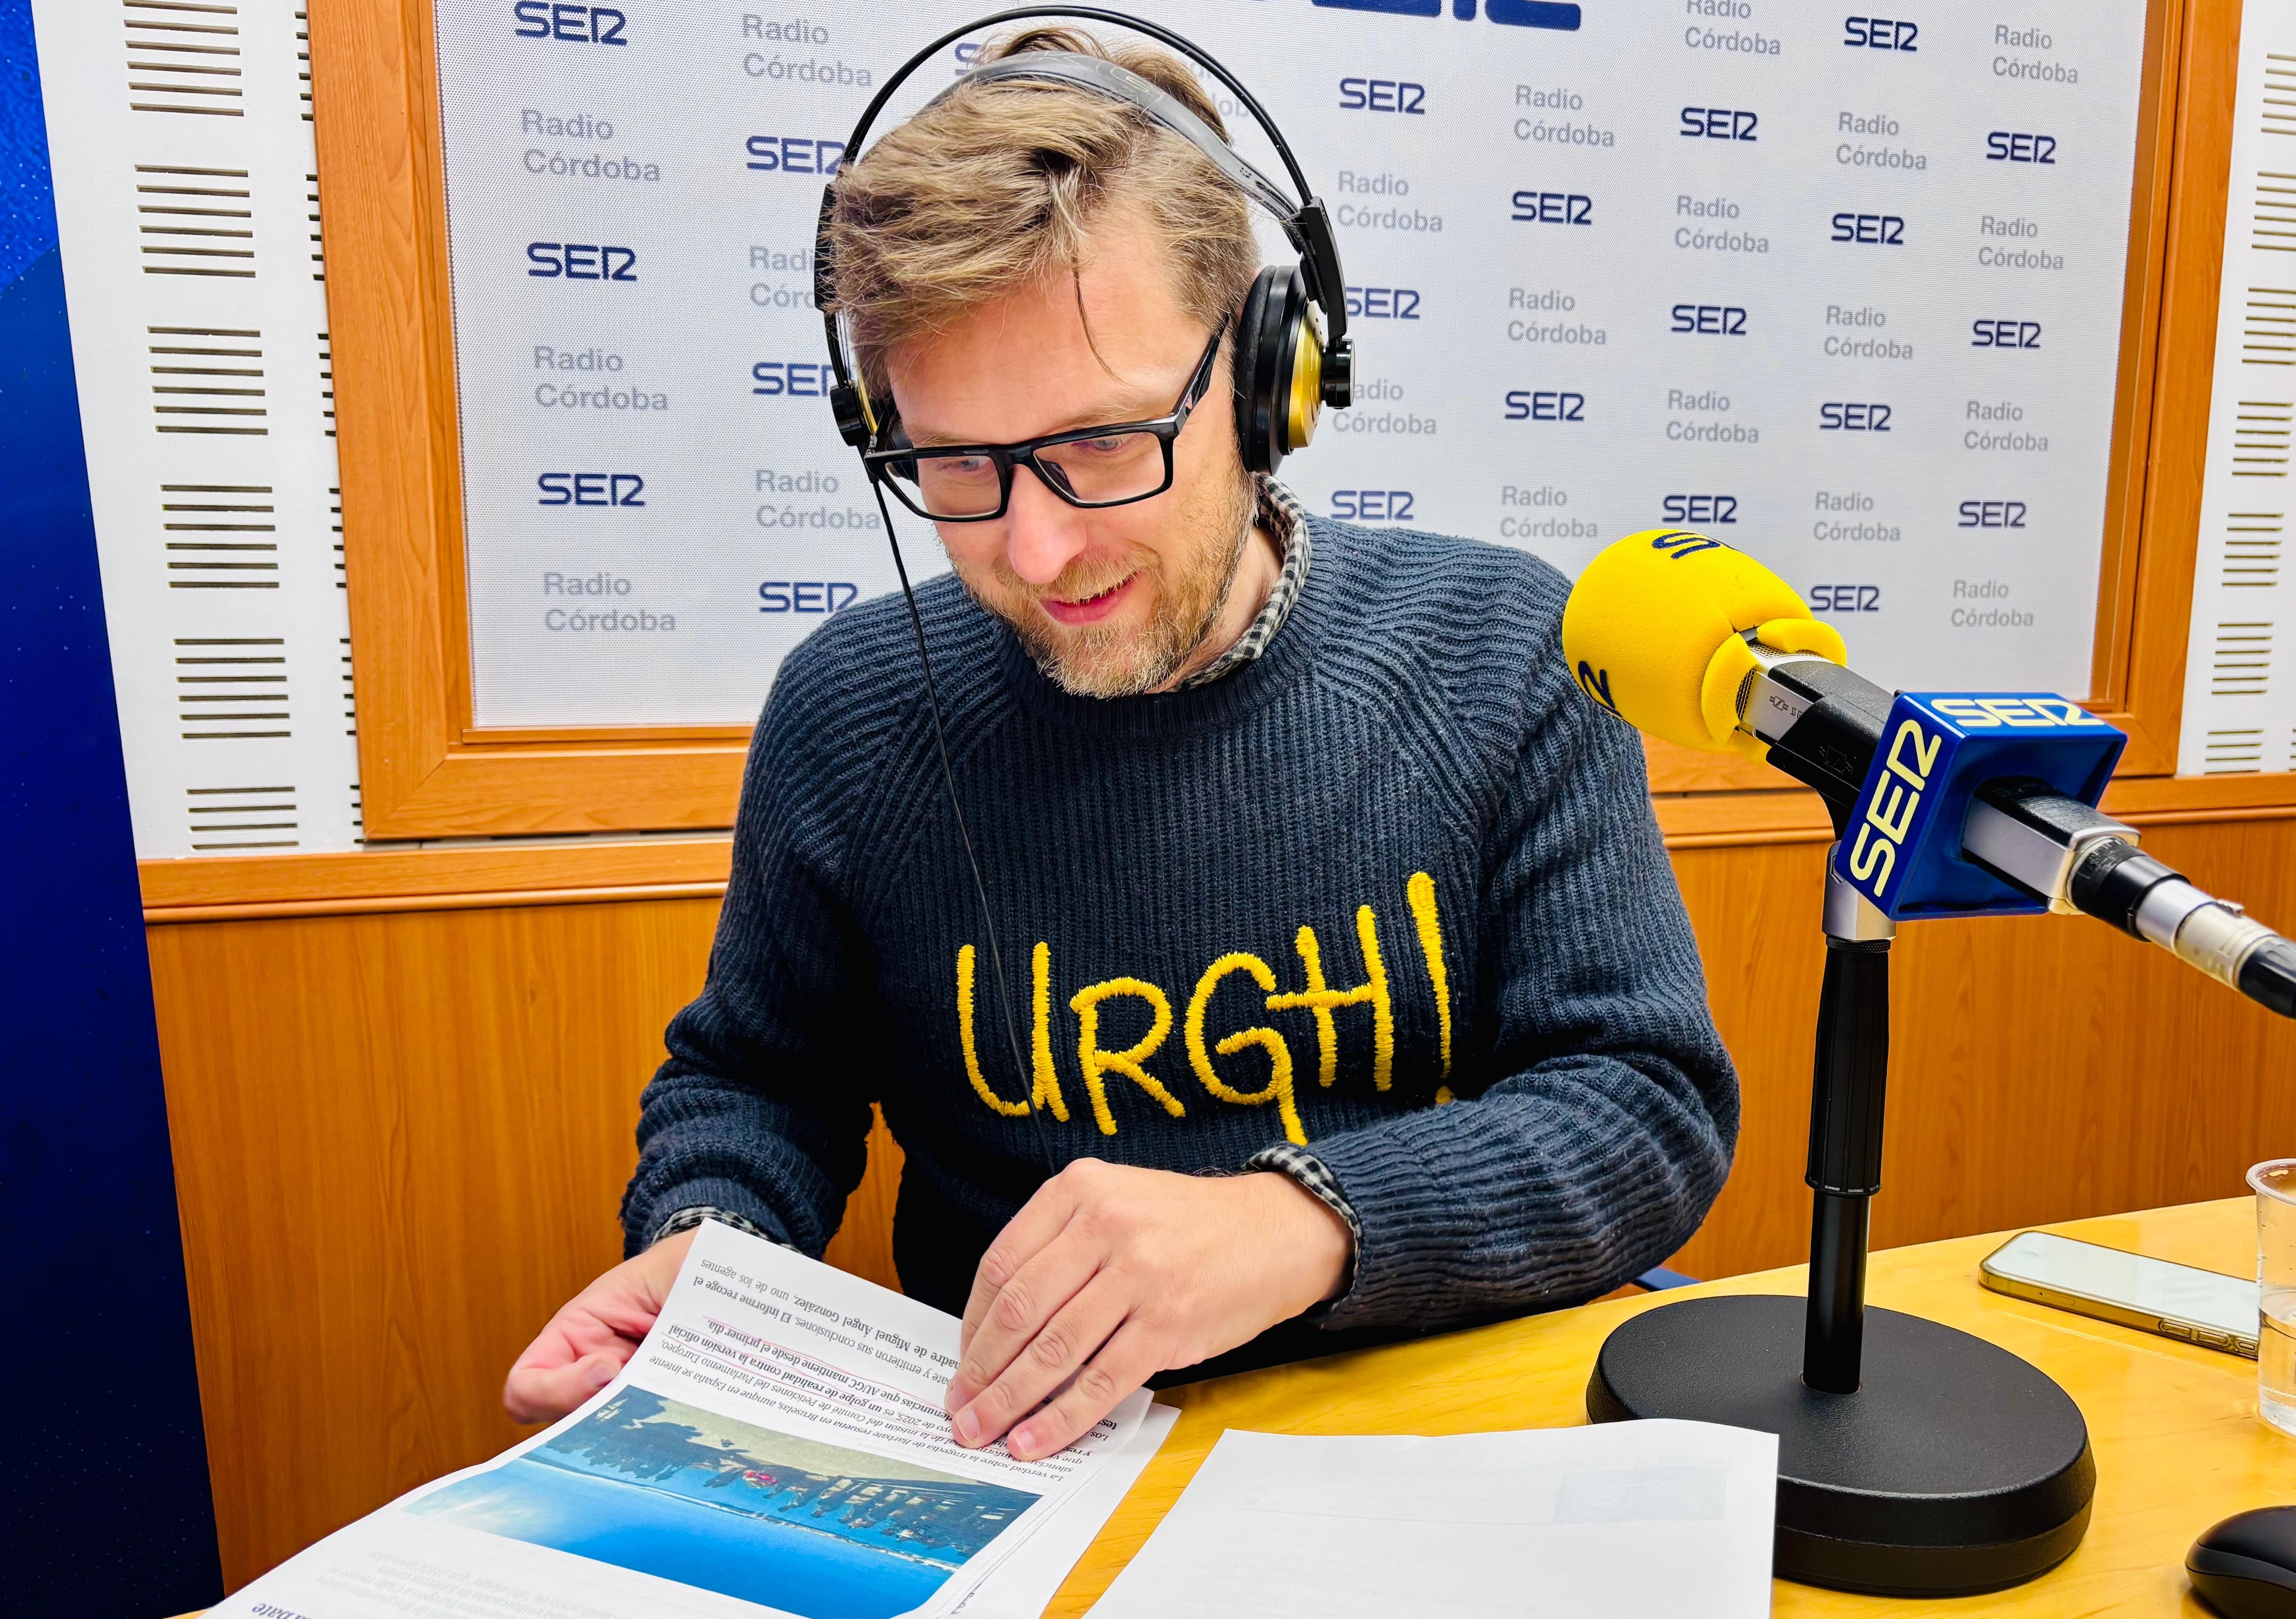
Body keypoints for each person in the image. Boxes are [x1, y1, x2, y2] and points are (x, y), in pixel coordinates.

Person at [505, 28, 1737, 1462]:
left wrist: (1299, 1222)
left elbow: (1643, 1106)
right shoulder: (849, 713)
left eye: (1101, 440)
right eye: (954, 463)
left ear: (1269, 379)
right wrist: (710, 1254)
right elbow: (758, 1082)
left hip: (1417, 1436)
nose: (1035, 546)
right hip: (1024, 1462)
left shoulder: (1505, 651)